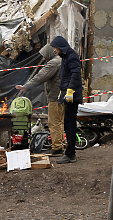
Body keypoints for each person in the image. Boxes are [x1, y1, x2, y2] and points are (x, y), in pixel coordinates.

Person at [16, 45, 64, 155]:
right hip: (61, 96)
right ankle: (59, 145)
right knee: (59, 122)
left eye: (44, 55)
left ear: (49, 53)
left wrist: (26, 86)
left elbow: (41, 76)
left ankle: (57, 148)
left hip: (55, 97)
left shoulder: (53, 63)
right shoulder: (61, 60)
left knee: (54, 123)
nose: (43, 58)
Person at [50, 36, 82, 164]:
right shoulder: (65, 57)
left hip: (71, 97)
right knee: (68, 124)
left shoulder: (71, 56)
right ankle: (69, 152)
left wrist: (70, 90)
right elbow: (67, 75)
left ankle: (70, 154)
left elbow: (75, 74)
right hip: (67, 95)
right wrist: (62, 91)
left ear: (60, 46)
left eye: (55, 48)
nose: (54, 50)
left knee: (70, 125)